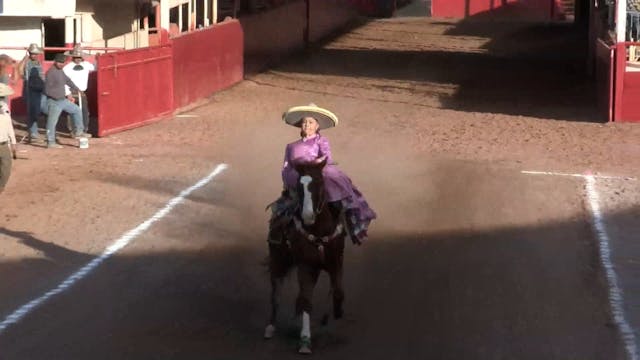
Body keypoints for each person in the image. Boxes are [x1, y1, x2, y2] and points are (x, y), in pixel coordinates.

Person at [275, 103, 377, 244]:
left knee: (336, 196)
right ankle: (277, 239)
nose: (307, 125)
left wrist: (314, 166)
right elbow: (286, 166)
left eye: (310, 122)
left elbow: (327, 157)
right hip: (297, 177)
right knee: (281, 210)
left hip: (318, 172)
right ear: (300, 125)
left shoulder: (321, 141)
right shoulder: (291, 146)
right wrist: (290, 179)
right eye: (304, 122)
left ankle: (350, 225)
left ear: (317, 126)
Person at [44, 53, 87, 149]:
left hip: (63, 100)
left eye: (62, 62)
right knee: (52, 122)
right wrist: (55, 96)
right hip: (54, 101)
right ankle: (50, 142)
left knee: (76, 110)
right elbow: (46, 90)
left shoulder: (60, 71)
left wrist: (77, 89)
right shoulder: (51, 73)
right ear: (55, 61)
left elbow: (68, 81)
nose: (61, 64)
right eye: (59, 62)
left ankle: (79, 132)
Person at [63, 45, 95, 137]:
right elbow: (64, 82)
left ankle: (83, 130)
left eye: (79, 57)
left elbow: (95, 67)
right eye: (76, 57)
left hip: (82, 92)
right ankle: (73, 131)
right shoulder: (67, 68)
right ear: (73, 57)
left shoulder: (86, 65)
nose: (78, 59)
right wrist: (68, 94)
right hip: (71, 92)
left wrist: (97, 59)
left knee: (84, 112)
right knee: (72, 112)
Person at [16, 44, 45, 144]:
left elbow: (42, 75)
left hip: (39, 90)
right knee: (32, 112)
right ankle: (33, 133)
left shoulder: (38, 63)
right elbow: (20, 71)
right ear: (29, 53)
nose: (35, 55)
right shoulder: (26, 63)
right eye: (33, 54)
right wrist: (24, 60)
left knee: (37, 112)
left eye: (36, 54)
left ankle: (33, 132)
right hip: (30, 91)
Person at [0, 83, 17, 193]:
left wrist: (13, 142)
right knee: (6, 165)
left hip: (3, 143)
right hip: (3, 143)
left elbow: (9, 125)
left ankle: (1, 186)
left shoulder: (4, 107)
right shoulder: (4, 107)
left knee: (6, 166)